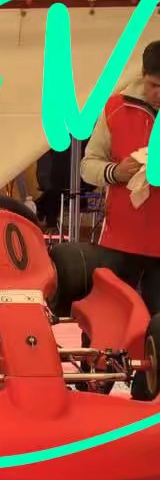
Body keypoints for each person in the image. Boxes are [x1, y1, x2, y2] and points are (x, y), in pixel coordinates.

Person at [80, 40, 160, 315]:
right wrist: (115, 172)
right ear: (142, 74)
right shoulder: (115, 107)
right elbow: (87, 165)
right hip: (120, 240)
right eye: (153, 85)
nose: (159, 93)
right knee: (109, 319)